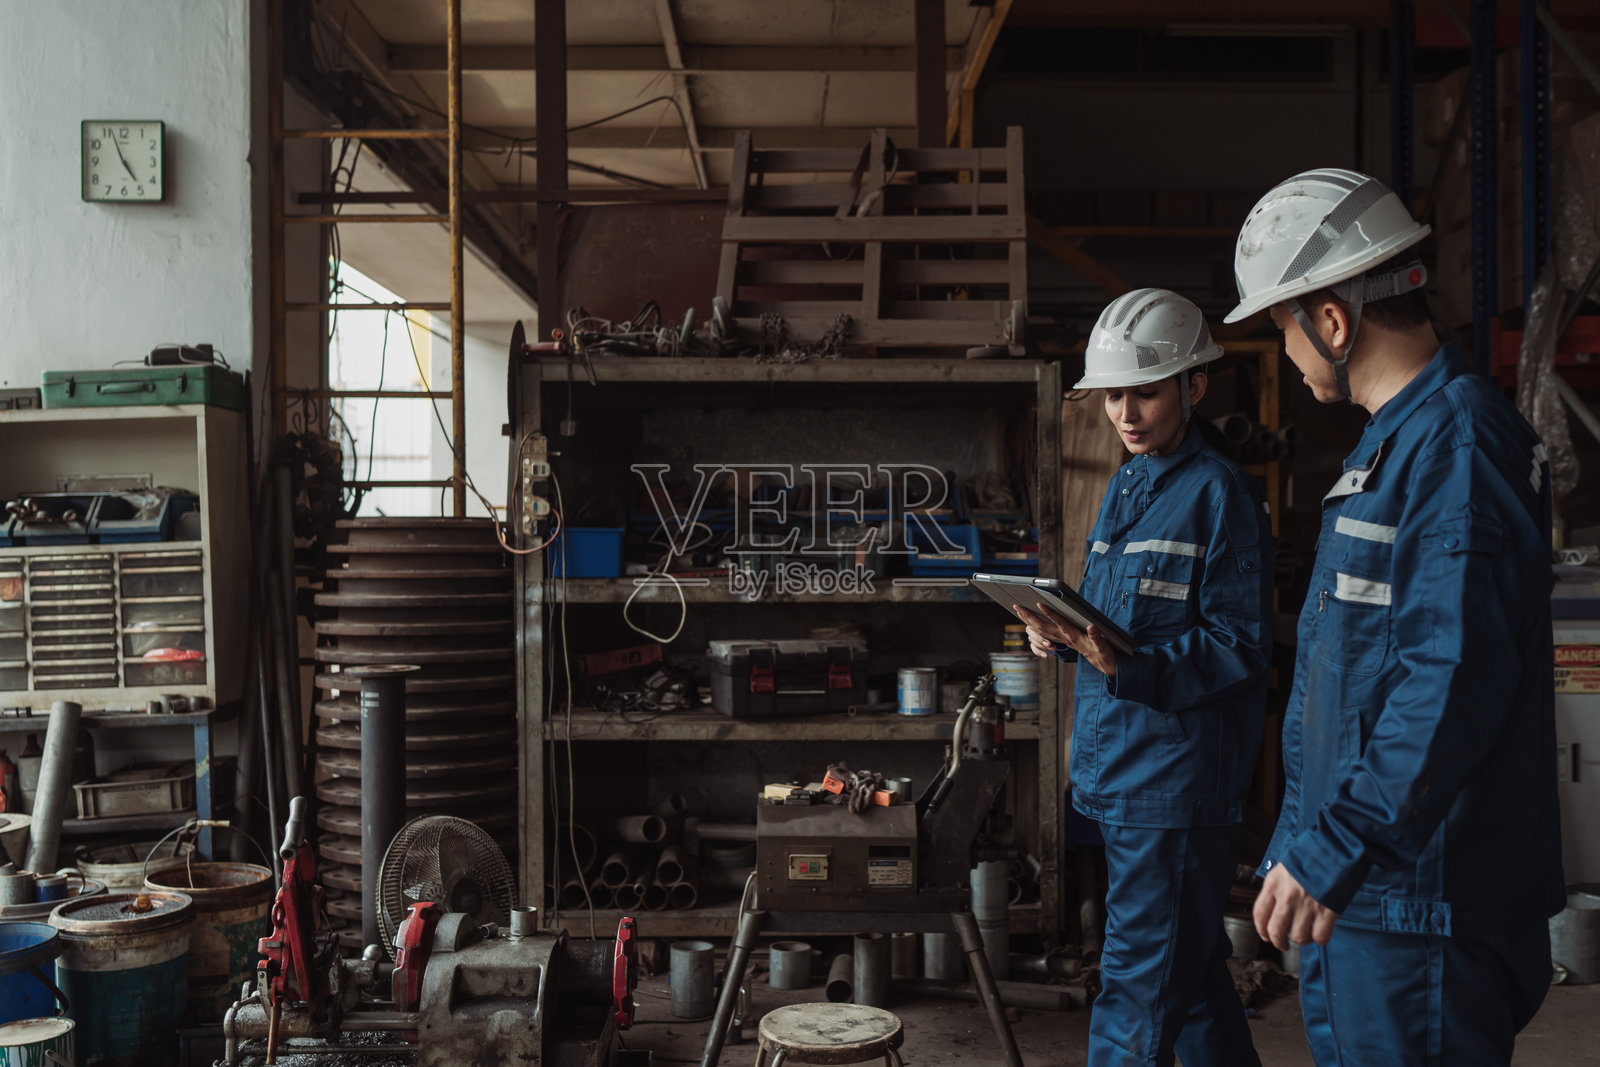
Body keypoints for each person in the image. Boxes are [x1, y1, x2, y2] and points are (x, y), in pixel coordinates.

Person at [1226, 168, 1562, 1064]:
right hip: (1378, 893)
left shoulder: (1455, 446)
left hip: (1422, 902)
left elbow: (1450, 676)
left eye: (1281, 328)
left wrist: (1335, 843)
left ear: (1332, 320)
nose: (1287, 356)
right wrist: (1304, 847)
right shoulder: (1399, 442)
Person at [1017, 288, 1272, 1067]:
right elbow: (1121, 623)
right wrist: (1061, 634)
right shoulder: (1131, 484)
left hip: (1174, 788)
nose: (1127, 412)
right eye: (1114, 394)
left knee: (1135, 987)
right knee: (1189, 983)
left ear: (1195, 386)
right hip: (1124, 771)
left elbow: (1239, 647)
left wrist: (1129, 665)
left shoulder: (1219, 496)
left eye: (1147, 391)